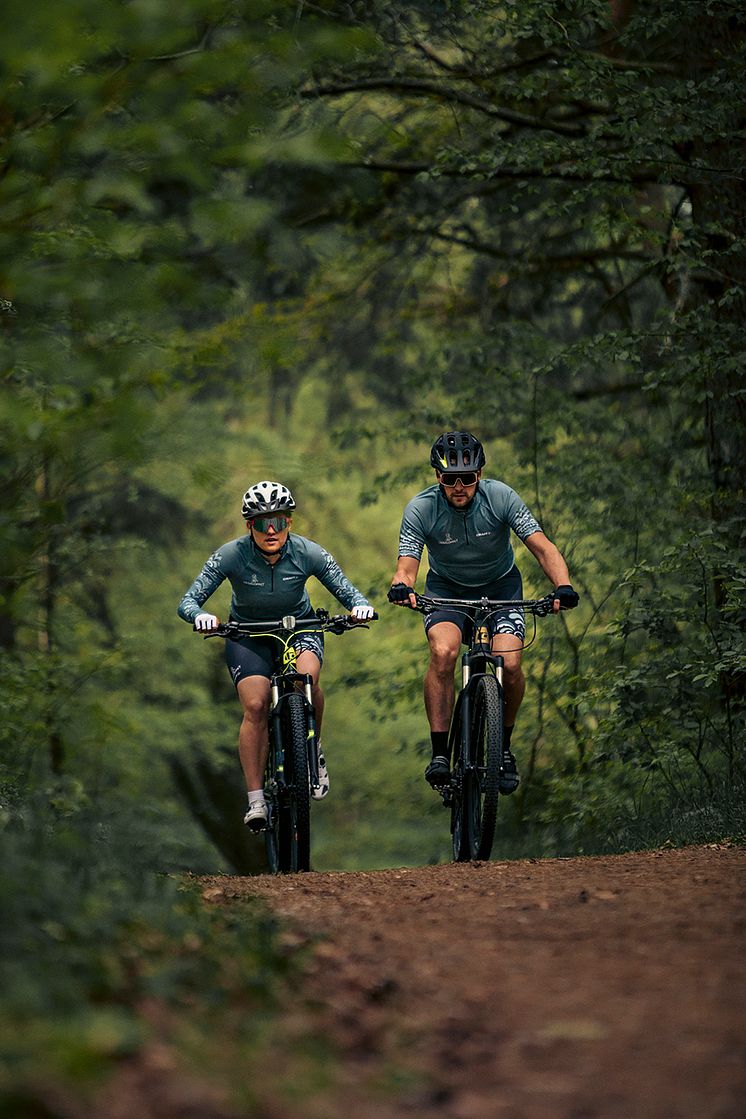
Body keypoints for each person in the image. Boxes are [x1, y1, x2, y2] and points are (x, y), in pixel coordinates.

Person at [178, 480, 374, 831]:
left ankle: (312, 751)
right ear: (248, 526)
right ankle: (256, 800)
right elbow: (187, 602)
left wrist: (359, 608)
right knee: (255, 706)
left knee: (307, 682)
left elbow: (349, 591)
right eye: (261, 522)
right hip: (247, 635)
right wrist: (200, 616)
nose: (271, 530)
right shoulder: (231, 555)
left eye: (279, 522)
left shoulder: (309, 552)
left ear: (290, 523)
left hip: (300, 628)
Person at [388, 431, 579, 792]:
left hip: (501, 587)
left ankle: (502, 747)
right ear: (437, 477)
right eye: (449, 479)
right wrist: (403, 586)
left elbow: (541, 547)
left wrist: (563, 586)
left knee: (510, 664)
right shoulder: (421, 508)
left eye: (468, 477)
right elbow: (407, 563)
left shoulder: (501, 497)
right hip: (447, 590)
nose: (459, 487)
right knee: (443, 653)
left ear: (480, 474)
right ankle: (441, 753)